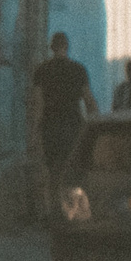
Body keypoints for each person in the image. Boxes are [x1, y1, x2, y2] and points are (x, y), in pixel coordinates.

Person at [31, 31, 97, 210]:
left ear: (52, 47)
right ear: (67, 47)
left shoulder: (42, 70)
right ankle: (72, 208)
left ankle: (54, 208)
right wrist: (94, 126)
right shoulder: (78, 70)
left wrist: (35, 133)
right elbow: (89, 101)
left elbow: (38, 104)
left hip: (51, 126)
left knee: (53, 170)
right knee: (72, 168)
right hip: (73, 125)